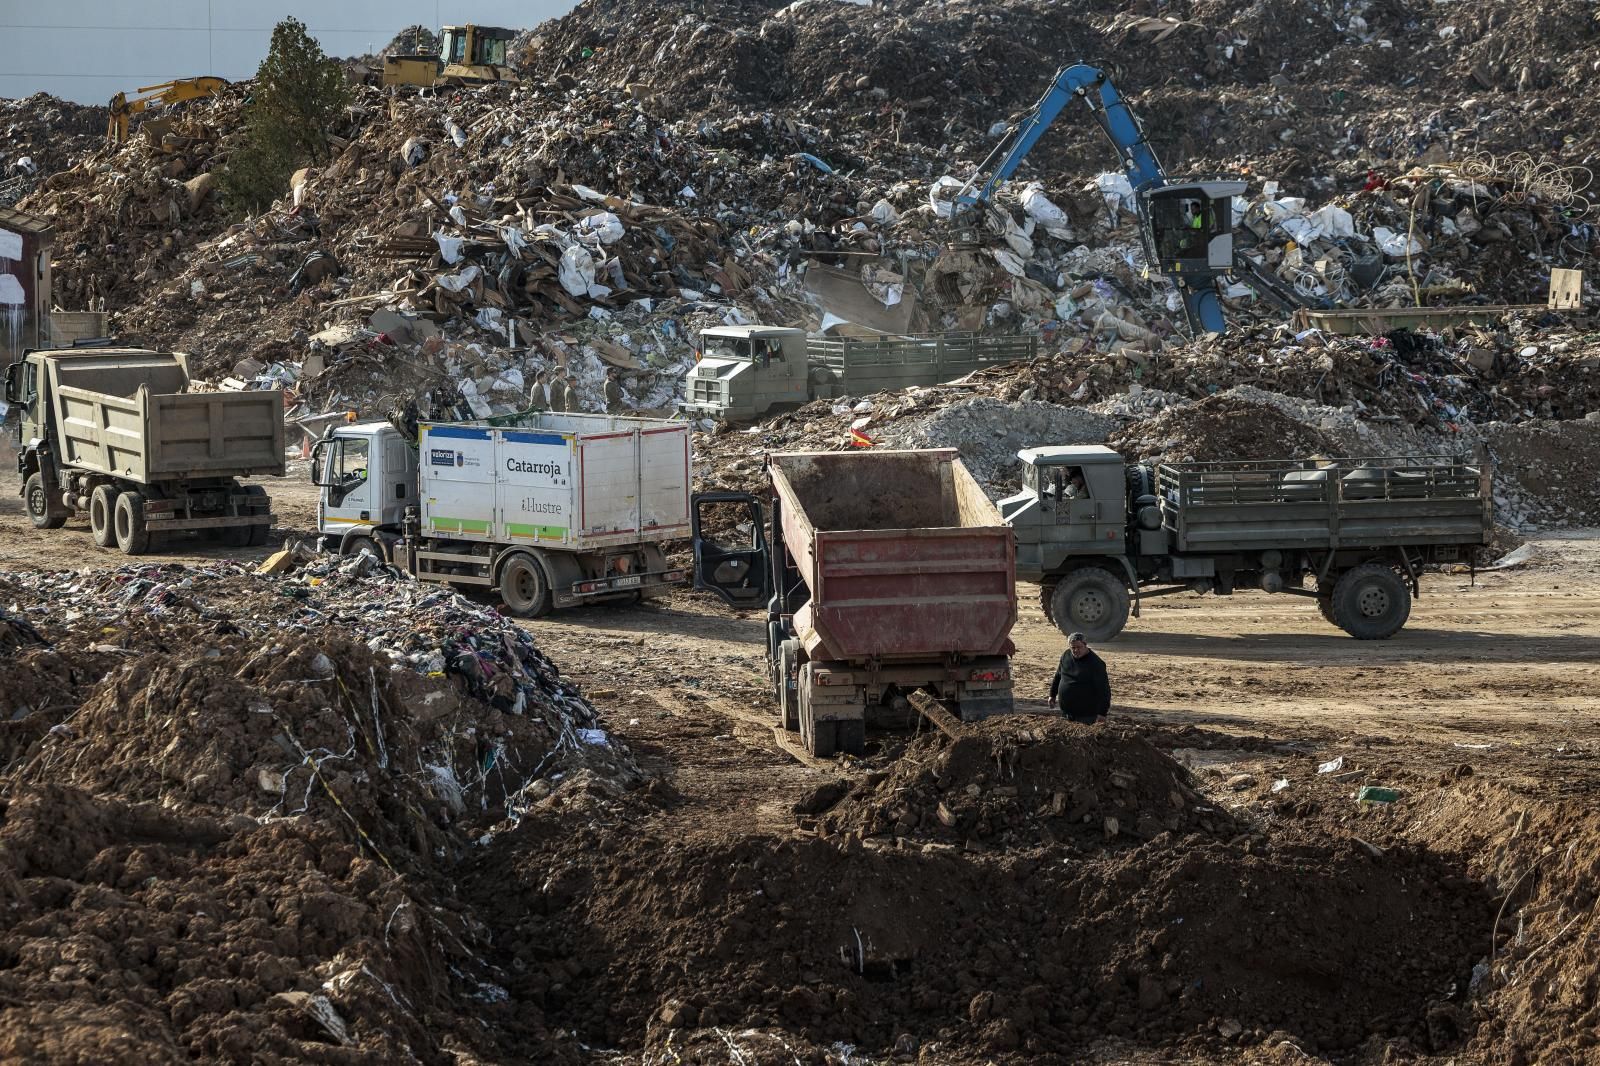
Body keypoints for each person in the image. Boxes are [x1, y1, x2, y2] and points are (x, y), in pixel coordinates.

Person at [1048, 631, 1110, 724]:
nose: (1076, 650)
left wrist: (1102, 713)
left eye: (1079, 647)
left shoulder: (1096, 664)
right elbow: (1058, 675)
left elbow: (1104, 691)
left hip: (1086, 716)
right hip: (1066, 713)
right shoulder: (1066, 655)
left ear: (1085, 645)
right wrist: (1052, 695)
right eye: (1073, 647)